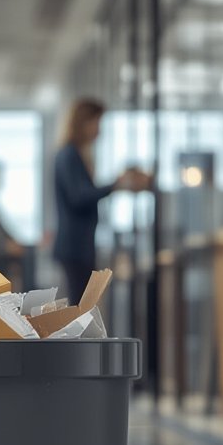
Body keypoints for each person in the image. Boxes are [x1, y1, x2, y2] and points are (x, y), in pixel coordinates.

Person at [53, 98, 150, 304]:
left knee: (80, 305)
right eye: (97, 122)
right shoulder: (69, 155)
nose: (99, 130)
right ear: (84, 123)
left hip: (79, 245)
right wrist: (115, 185)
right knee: (79, 307)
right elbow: (79, 197)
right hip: (74, 246)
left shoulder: (74, 155)